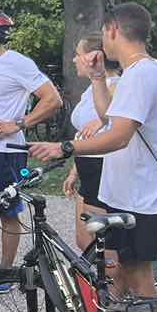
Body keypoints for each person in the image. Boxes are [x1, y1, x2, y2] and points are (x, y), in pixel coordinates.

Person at [29, 4, 157, 302]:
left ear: (113, 30)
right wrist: (97, 79)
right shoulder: (153, 70)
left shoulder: (140, 75)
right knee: (119, 274)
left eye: (104, 34)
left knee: (139, 277)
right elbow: (112, 116)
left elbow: (118, 137)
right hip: (130, 194)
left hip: (139, 197)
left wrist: (66, 147)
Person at [0, 8, 63, 273]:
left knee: (6, 211)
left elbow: (53, 100)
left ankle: (5, 271)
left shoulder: (19, 63)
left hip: (4, 151)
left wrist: (18, 124)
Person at [63, 35, 118, 253]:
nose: (75, 60)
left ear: (95, 57)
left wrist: (102, 119)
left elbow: (112, 119)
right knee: (83, 241)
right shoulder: (92, 88)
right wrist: (74, 171)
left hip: (102, 167)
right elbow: (83, 135)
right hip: (86, 163)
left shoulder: (116, 86)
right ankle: (97, 285)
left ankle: (113, 286)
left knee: (100, 243)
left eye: (78, 55)